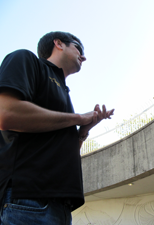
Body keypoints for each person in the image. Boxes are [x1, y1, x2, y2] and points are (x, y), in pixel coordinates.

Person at [0, 31, 114, 224]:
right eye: (78, 47)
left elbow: (59, 150)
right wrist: (77, 117)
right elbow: (6, 113)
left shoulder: (64, 93)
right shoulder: (26, 59)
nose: (84, 56)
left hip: (60, 207)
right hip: (28, 201)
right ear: (59, 43)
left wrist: (83, 132)